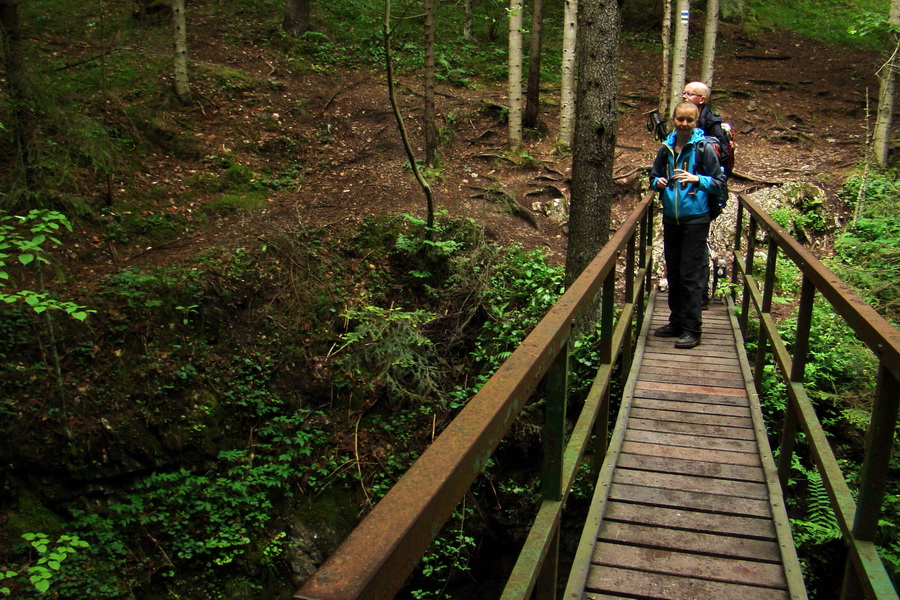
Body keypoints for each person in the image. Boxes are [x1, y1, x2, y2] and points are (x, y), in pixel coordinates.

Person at [650, 101, 727, 349]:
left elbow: (719, 182)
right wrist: (657, 182)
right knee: (673, 271)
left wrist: (698, 179)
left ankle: (692, 329)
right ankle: (676, 322)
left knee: (690, 274)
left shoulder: (704, 148)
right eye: (680, 119)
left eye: (689, 120)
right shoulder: (667, 147)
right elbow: (653, 175)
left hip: (696, 217)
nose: (684, 124)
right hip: (672, 217)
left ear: (696, 121)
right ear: (674, 119)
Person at [682, 81, 730, 309]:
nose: (684, 96)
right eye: (684, 92)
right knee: (686, 250)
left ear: (701, 99)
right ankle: (689, 297)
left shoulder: (713, 129)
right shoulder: (683, 123)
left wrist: (698, 181)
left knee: (697, 249)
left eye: (690, 94)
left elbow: (719, 173)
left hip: (702, 199)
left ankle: (698, 298)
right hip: (683, 200)